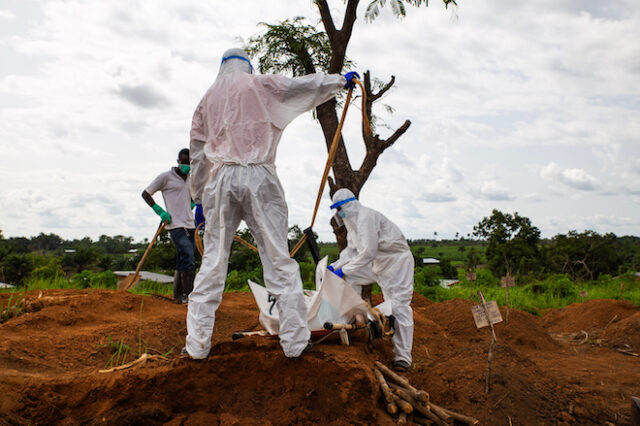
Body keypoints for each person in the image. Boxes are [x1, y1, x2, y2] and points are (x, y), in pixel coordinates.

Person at [185, 47, 359, 359]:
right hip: (261, 178)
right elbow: (301, 87)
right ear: (246, 66)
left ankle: (196, 347)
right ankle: (294, 344)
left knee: (212, 264)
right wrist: (337, 82)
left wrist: (198, 196)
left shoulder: (206, 100)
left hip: (221, 180)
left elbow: (197, 153)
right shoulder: (259, 85)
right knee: (279, 260)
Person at [327, 188, 414, 372]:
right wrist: (335, 266)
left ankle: (403, 358)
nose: (339, 213)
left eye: (340, 208)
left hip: (396, 263)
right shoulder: (352, 223)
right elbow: (351, 252)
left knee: (399, 306)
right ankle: (355, 319)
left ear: (349, 205)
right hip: (378, 264)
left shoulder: (366, 217)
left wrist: (344, 269)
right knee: (350, 277)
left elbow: (367, 252)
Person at [142, 148, 196, 304]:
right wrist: (159, 211)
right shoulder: (166, 177)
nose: (186, 166)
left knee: (184, 259)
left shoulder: (191, 179)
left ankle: (178, 296)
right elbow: (146, 193)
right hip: (174, 224)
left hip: (189, 224)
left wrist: (191, 204)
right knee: (188, 256)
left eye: (189, 163)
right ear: (178, 162)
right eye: (184, 162)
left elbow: (194, 197)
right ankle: (190, 296)